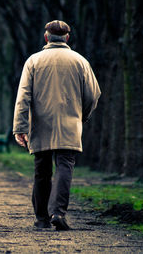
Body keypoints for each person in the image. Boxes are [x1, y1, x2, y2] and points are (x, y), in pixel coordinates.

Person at [13, 20, 101, 230]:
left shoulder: (33, 61)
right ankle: (58, 213)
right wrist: (81, 116)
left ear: (46, 37)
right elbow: (93, 95)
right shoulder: (80, 62)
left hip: (41, 125)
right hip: (70, 124)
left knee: (41, 170)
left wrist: (20, 127)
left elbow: (23, 96)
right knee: (64, 167)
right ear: (67, 38)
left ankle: (41, 218)